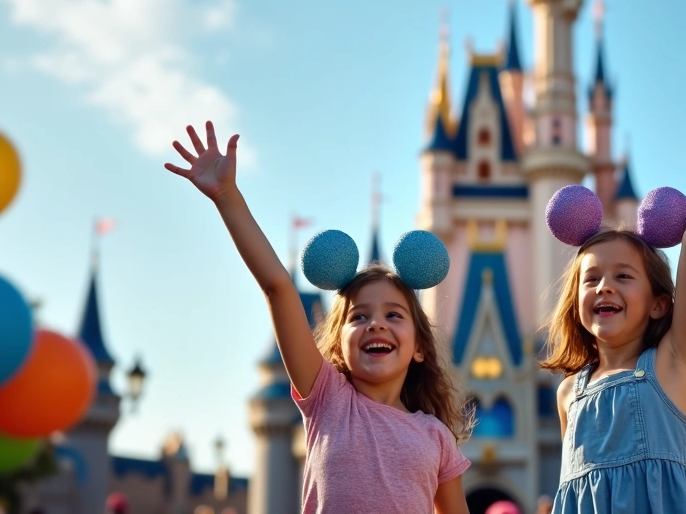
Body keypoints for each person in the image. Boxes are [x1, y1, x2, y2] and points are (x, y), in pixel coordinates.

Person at [164, 122, 472, 513]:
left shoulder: (436, 437)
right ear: (338, 346)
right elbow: (278, 288)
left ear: (420, 349)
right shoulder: (328, 398)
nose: (376, 323)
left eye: (393, 314)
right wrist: (227, 197)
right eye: (358, 317)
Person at [541, 68, 686, 513]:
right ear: (575, 302)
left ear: (659, 305)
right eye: (591, 279)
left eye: (623, 276)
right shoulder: (568, 393)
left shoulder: (670, 364)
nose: (604, 286)